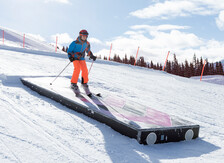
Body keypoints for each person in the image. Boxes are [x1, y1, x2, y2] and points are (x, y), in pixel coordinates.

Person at [67, 29, 97, 96]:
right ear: (80, 36)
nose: (84, 37)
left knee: (85, 70)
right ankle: (73, 84)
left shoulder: (87, 43)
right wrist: (70, 57)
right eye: (83, 36)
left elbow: (88, 51)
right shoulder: (74, 43)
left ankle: (84, 84)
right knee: (77, 68)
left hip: (81, 58)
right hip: (75, 57)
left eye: (86, 36)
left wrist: (91, 56)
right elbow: (69, 51)